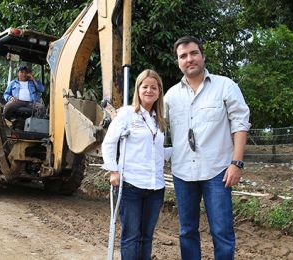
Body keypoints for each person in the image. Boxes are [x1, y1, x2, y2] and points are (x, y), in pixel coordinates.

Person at [164, 36, 251, 260]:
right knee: (187, 231)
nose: (189, 59)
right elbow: (153, 127)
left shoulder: (225, 86)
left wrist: (236, 163)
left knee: (222, 231)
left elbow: (240, 123)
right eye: (183, 56)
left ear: (202, 55)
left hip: (218, 171)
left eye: (193, 53)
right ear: (178, 62)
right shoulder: (171, 96)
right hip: (182, 172)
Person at [102, 69, 169, 260]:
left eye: (154, 87)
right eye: (145, 86)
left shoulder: (158, 120)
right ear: (138, 90)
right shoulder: (126, 114)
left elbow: (157, 153)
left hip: (155, 187)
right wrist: (113, 171)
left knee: (146, 237)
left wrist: (181, 151)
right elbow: (109, 143)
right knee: (131, 236)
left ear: (159, 92)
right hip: (130, 185)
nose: (149, 90)